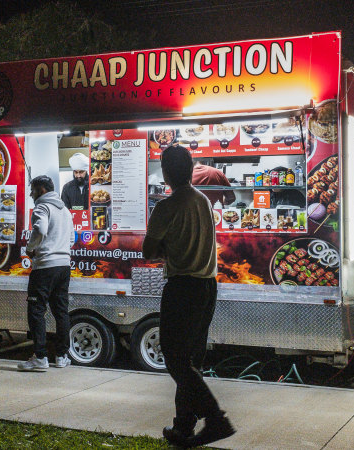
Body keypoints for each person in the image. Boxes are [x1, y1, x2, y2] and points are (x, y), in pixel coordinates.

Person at [143, 146, 236, 447]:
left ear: (166, 173)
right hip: (207, 287)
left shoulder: (166, 207)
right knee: (190, 361)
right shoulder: (202, 202)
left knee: (175, 359)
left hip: (182, 287)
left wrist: (166, 248)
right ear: (191, 166)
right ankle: (183, 427)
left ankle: (216, 420)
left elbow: (148, 251)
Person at [19, 175, 76, 371]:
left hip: (44, 267)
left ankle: (40, 357)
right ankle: (61, 356)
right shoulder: (65, 210)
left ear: (42, 190)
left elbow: (40, 229)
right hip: (64, 266)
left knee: (36, 311)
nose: (31, 194)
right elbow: (71, 239)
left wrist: (31, 247)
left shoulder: (42, 207)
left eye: (33, 190)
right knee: (61, 312)